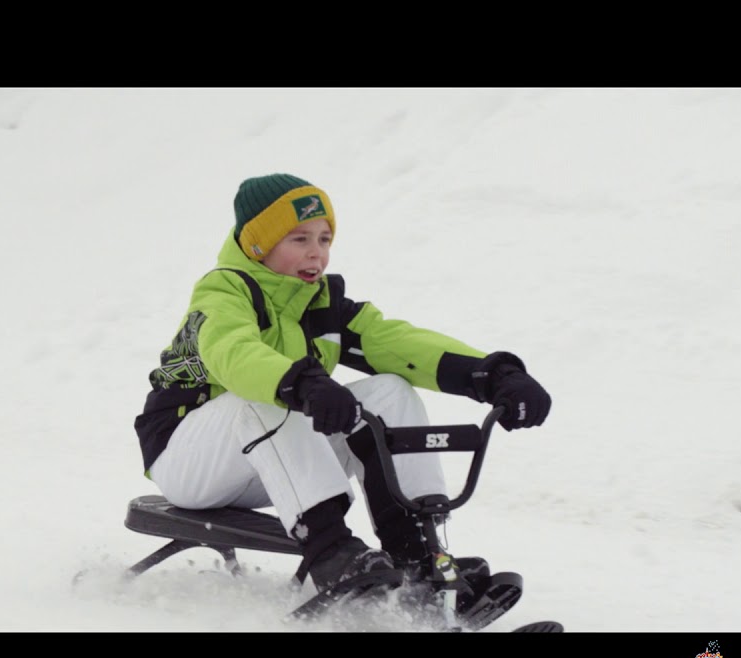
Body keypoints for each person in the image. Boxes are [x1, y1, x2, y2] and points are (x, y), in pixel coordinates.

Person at [134, 173, 550, 601]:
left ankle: (418, 554)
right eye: (299, 239)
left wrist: (491, 375)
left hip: (270, 464)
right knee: (262, 399)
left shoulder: (322, 302)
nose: (316, 252)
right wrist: (302, 383)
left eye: (325, 239)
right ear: (258, 245)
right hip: (189, 462)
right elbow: (234, 354)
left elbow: (399, 343)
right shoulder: (223, 291)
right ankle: (330, 551)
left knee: (390, 390)